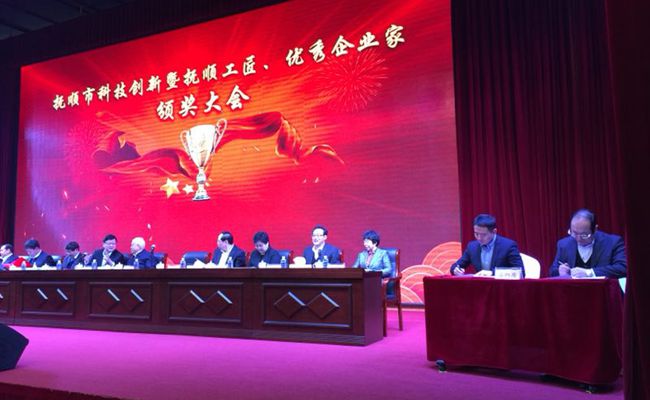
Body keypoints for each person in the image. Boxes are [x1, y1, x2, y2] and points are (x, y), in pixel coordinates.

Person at [549, 209, 627, 278]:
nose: (578, 239)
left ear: (595, 229)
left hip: (602, 289)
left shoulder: (612, 242)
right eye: (574, 233)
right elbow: (552, 271)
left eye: (584, 235)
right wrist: (560, 271)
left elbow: (623, 268)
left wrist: (589, 272)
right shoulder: (564, 244)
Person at [451, 214, 524, 277]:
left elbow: (520, 272)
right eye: (476, 234)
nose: (479, 238)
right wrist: (455, 270)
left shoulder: (508, 246)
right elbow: (456, 266)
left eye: (483, 235)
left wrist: (492, 273)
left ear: (494, 231)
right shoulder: (472, 246)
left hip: (502, 286)